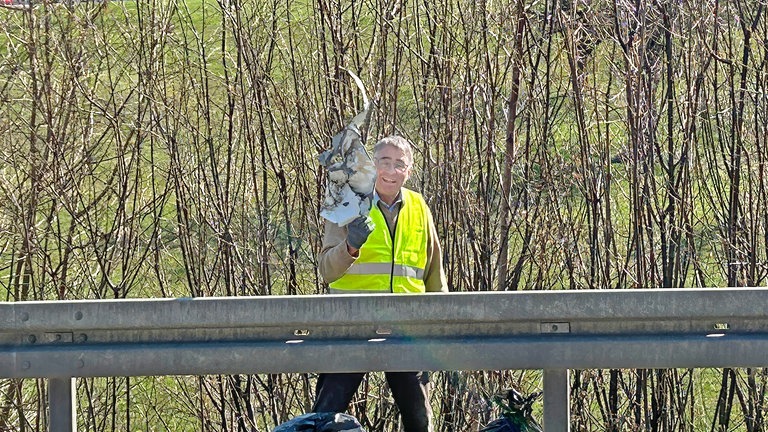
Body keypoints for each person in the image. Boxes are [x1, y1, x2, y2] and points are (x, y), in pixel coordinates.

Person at [315, 135, 448, 432]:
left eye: (399, 164)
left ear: (409, 171)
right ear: (372, 166)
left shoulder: (418, 206)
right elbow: (326, 270)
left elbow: (434, 276)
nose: (391, 170)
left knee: (419, 420)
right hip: (351, 327)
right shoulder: (348, 201)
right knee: (325, 416)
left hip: (406, 329)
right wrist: (350, 246)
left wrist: (439, 331)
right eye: (384, 162)